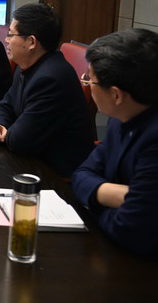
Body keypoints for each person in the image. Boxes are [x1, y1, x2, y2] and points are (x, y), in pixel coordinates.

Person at [72, 28, 158, 256]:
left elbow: (131, 230)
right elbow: (81, 174)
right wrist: (118, 195)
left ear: (116, 95)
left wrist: (93, 204)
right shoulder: (120, 118)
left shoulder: (153, 137)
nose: (87, 84)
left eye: (90, 79)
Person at [0, 3, 94, 177]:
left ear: (31, 42)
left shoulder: (51, 78)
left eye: (11, 34)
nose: (7, 40)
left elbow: (20, 140)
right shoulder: (27, 65)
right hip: (32, 158)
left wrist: (4, 135)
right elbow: (4, 104)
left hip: (55, 172)